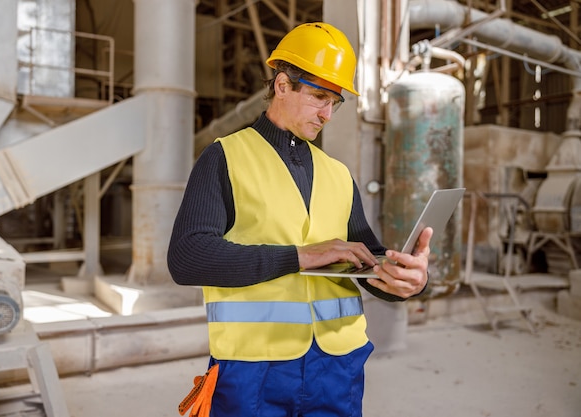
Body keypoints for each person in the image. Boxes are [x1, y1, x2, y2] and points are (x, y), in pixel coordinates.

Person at [168, 22, 431, 417]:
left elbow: (367, 262)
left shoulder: (338, 175)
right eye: (319, 96)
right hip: (254, 367)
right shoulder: (225, 158)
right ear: (282, 85)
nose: (327, 113)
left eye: (335, 102)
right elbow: (187, 257)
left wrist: (405, 281)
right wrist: (300, 256)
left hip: (337, 366)